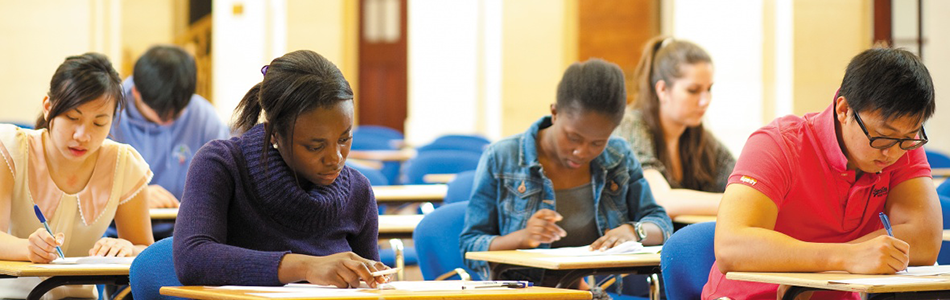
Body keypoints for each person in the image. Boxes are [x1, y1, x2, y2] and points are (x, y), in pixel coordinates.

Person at [704, 48, 940, 300]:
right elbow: (732, 247)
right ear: (843, 109)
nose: (892, 153)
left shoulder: (901, 145)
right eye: (881, 137)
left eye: (909, 137)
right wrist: (844, 258)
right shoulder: (779, 144)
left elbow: (924, 240)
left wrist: (818, 272)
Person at [173, 50, 390, 288]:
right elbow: (192, 259)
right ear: (274, 133)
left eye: (344, 139)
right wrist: (306, 267)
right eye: (315, 146)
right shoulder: (222, 165)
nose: (335, 158)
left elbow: (369, 287)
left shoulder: (358, 192)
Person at [460, 58, 674, 288]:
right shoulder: (502, 157)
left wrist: (635, 231)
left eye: (597, 143)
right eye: (573, 137)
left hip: (602, 291)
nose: (581, 151)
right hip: (530, 292)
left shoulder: (618, 155)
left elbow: (661, 223)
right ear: (554, 112)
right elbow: (470, 245)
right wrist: (523, 237)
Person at [0, 53, 154, 299]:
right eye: (73, 118)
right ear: (48, 108)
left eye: (99, 123)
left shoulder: (124, 163)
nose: (83, 135)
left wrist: (127, 248)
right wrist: (26, 248)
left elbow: (146, 250)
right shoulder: (10, 149)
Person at [614, 36, 734, 218]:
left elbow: (742, 182)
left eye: (708, 89)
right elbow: (661, 200)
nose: (705, 101)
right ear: (662, 90)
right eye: (693, 90)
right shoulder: (631, 126)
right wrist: (739, 204)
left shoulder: (700, 137)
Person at [110, 45, 230, 210]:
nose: (168, 121)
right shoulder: (108, 115)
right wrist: (132, 195)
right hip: (118, 225)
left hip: (183, 224)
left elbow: (227, 177)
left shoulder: (204, 117)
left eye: (177, 114)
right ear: (137, 92)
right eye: (160, 113)